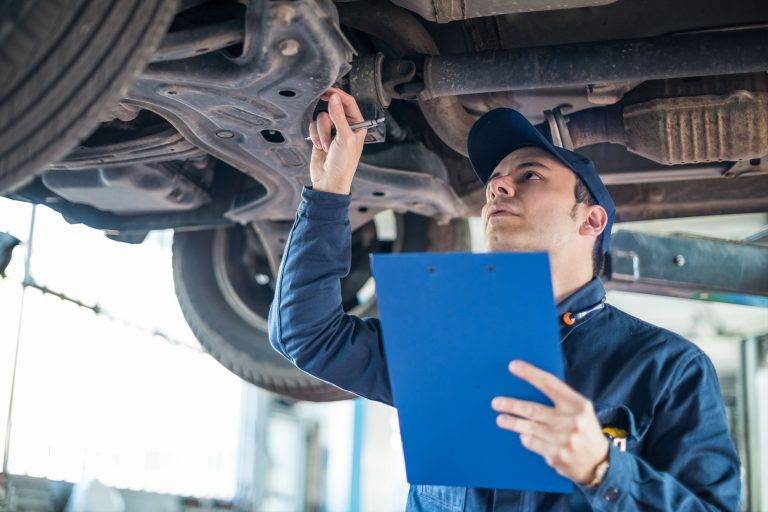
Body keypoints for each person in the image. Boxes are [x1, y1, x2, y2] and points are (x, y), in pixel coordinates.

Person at [267, 87, 741, 511]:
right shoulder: (444, 341)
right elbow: (307, 335)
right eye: (494, 178)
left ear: (591, 220)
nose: (497, 186)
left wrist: (603, 469)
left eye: (531, 174)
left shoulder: (668, 368)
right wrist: (329, 191)